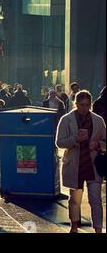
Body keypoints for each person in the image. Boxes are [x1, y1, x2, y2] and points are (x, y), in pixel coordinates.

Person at [56, 90, 106, 233]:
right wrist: (75, 139)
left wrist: (97, 145)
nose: (85, 108)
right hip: (74, 164)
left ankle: (98, 229)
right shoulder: (66, 119)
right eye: (81, 105)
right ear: (75, 104)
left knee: (95, 200)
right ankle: (74, 226)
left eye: (87, 105)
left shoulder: (98, 120)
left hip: (93, 165)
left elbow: (105, 140)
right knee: (75, 200)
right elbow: (59, 142)